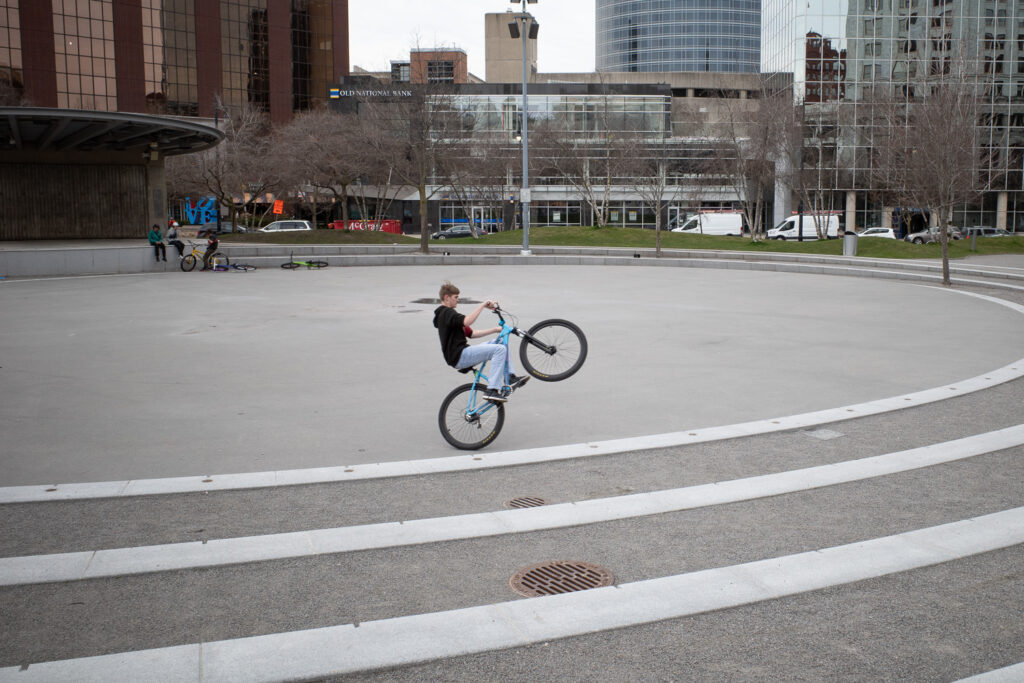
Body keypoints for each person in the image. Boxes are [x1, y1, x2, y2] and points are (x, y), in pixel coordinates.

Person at [433, 281, 528, 403]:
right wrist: (483, 305)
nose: (458, 300)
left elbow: (471, 333)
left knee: (499, 343)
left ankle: (510, 377)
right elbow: (467, 321)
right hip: (459, 356)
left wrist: (495, 330)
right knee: (500, 350)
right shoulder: (446, 313)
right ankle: (492, 389)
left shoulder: (449, 316)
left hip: (462, 353)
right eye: (455, 297)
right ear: (447, 298)